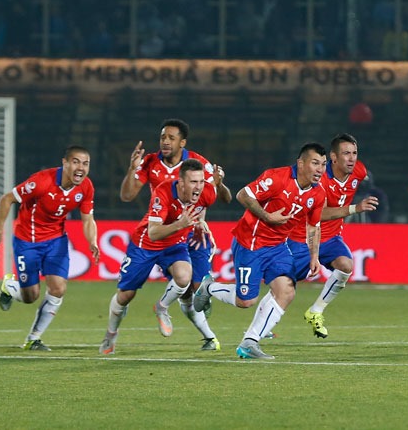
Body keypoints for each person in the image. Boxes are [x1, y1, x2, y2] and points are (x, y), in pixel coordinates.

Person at [193, 143, 328, 359]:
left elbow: (313, 226)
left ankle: (250, 342)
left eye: (323, 164)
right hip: (251, 243)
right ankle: (209, 288)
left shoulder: (318, 193)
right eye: (315, 163)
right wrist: (267, 216)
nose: (320, 169)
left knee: (286, 291)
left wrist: (314, 256)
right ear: (301, 163)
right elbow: (243, 195)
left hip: (278, 247)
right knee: (245, 301)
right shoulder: (277, 178)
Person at [120, 118, 232, 343]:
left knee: (197, 288)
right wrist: (132, 169)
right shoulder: (150, 162)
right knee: (185, 286)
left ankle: (203, 323)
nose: (165, 142)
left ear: (182, 142)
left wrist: (203, 213)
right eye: (163, 137)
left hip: (192, 231)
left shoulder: (198, 163)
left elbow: (213, 196)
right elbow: (127, 196)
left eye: (171, 138)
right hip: (166, 229)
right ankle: (207, 335)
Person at [100, 159, 218, 355]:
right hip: (145, 245)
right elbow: (153, 233)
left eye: (201, 181)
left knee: (184, 277)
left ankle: (162, 307)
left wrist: (199, 224)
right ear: (181, 182)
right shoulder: (163, 192)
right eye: (193, 182)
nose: (198, 187)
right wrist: (181, 224)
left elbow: (201, 207)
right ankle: (111, 334)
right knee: (126, 295)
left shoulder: (207, 192)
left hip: (175, 244)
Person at [0, 146, 99, 351]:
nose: (81, 168)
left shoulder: (86, 187)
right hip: (27, 241)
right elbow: (7, 199)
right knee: (30, 296)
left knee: (58, 288)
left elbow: (88, 219)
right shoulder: (41, 181)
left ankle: (33, 339)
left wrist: (93, 241)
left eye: (85, 164)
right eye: (76, 162)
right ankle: (9, 286)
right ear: (65, 163)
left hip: (56, 241)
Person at [290, 134, 379, 339]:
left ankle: (316, 311)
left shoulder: (359, 172)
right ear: (334, 157)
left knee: (346, 265)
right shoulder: (320, 178)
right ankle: (263, 326)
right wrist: (355, 208)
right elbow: (318, 214)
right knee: (284, 284)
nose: (352, 158)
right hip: (305, 237)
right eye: (346, 153)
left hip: (331, 238)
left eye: (354, 153)